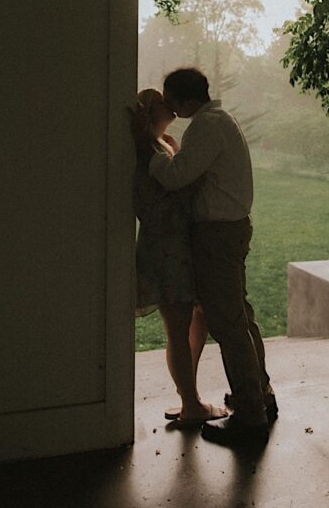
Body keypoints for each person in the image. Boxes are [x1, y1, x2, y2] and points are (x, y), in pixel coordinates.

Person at [144, 67, 276, 445]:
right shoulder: (221, 120)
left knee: (228, 325)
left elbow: (174, 177)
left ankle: (250, 416)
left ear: (187, 101)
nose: (169, 110)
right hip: (229, 231)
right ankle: (260, 395)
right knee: (240, 317)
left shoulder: (205, 126)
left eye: (172, 103)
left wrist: (147, 146)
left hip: (217, 236)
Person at [132, 89, 226, 426]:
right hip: (165, 250)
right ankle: (190, 404)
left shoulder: (164, 144)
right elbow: (154, 211)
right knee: (177, 326)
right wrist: (189, 187)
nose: (170, 106)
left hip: (182, 249)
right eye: (161, 103)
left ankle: (190, 396)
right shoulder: (143, 154)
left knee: (197, 316)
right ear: (148, 114)